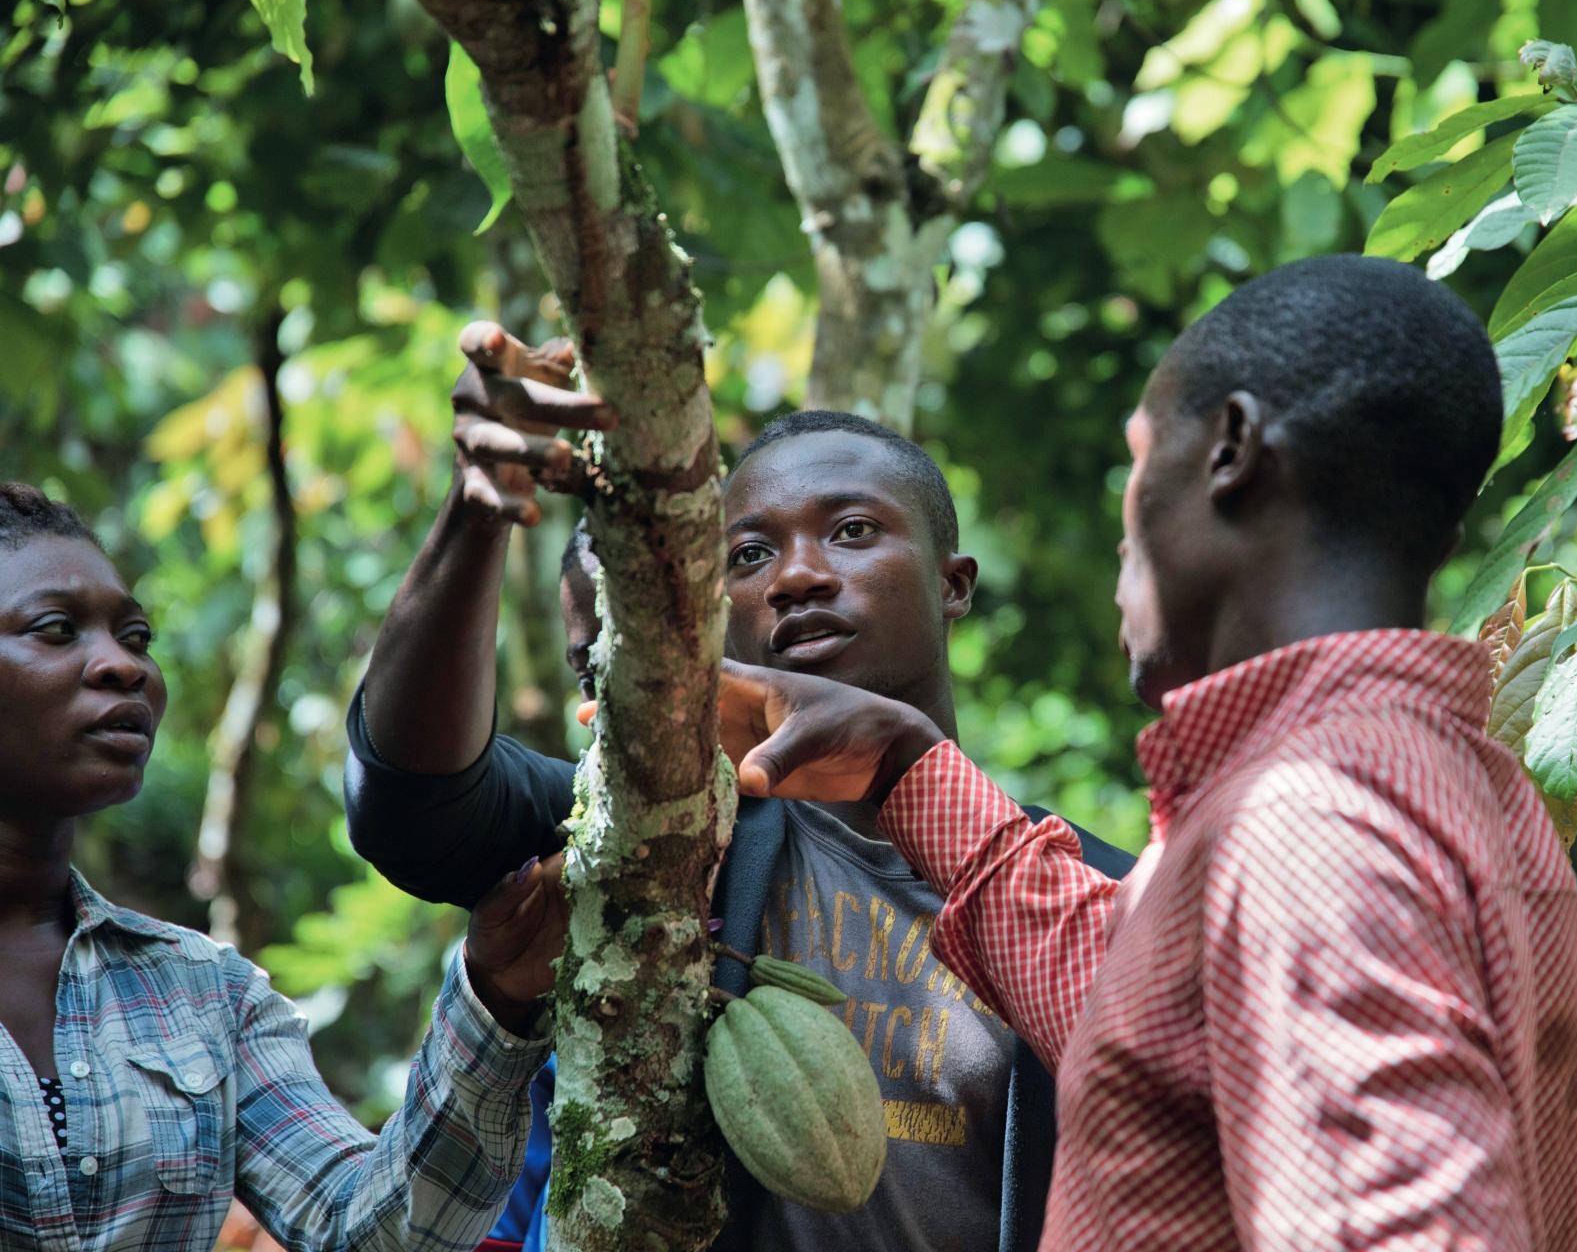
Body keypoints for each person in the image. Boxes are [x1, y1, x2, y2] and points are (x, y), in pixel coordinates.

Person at [716, 254, 1577, 1250]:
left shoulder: (1310, 824)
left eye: (1139, 460)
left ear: (1232, 452)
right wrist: (907, 768)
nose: (1126, 527)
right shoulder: (1481, 790)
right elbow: (1151, 1016)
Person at [343, 324, 1134, 1252]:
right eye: (749, 556)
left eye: (852, 531)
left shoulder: (1084, 891)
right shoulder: (660, 835)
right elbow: (413, 805)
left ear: (953, 584)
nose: (798, 575)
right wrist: (481, 507)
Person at [0, 481, 563, 1251]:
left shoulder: (203, 996)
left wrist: (494, 1001)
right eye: (57, 629)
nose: (123, 666)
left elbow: (370, 1232)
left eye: (135, 638)